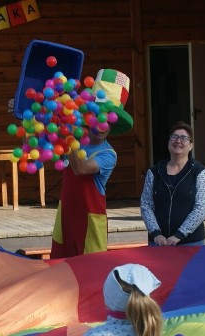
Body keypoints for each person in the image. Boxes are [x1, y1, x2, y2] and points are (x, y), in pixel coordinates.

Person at [51, 69, 133, 259]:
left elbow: (80, 168)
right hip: (65, 218)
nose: (100, 126)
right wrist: (20, 109)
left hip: (91, 222)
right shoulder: (75, 139)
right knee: (59, 268)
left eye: (107, 121)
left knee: (92, 271)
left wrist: (68, 134)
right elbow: (39, 137)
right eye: (97, 118)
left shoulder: (108, 154)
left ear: (112, 125)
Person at [140, 122, 205, 246]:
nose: (178, 141)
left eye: (184, 138)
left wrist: (179, 235)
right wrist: (156, 233)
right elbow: (146, 205)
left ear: (191, 145)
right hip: (158, 242)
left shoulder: (200, 173)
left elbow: (201, 208)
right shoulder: (154, 172)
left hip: (190, 242)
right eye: (174, 137)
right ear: (169, 142)